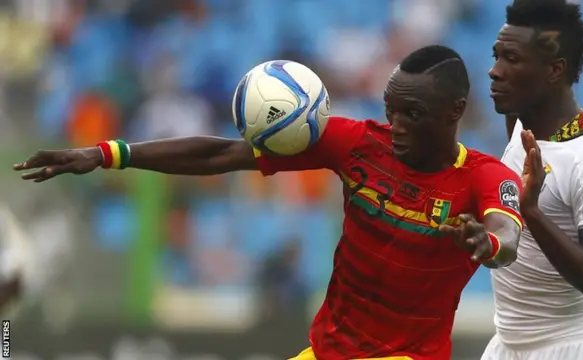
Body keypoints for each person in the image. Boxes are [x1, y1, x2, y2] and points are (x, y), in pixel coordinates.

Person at [14, 45, 524, 360]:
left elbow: (507, 232)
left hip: (408, 357)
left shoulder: (483, 176)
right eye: (393, 111)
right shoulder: (358, 143)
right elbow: (221, 155)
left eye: (413, 113)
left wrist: (489, 241)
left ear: (455, 112)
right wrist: (106, 153)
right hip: (328, 351)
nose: (399, 126)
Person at [483, 1, 583, 360]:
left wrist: (531, 211)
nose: (494, 71)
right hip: (509, 343)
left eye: (512, 60)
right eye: (496, 56)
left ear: (554, 70)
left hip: (574, 347)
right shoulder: (521, 125)